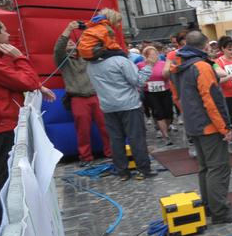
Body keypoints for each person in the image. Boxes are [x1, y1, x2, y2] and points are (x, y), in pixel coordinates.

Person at [173, 31, 232, 223]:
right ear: (205, 46)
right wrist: (224, 128)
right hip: (209, 126)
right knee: (218, 168)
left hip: (194, 123)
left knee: (205, 167)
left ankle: (208, 205)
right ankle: (220, 210)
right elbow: (211, 100)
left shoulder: (180, 64)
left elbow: (177, 96)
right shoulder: (201, 67)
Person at [86, 24, 156, 181]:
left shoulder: (90, 64)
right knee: (136, 138)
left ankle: (122, 172)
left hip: (107, 106)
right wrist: (150, 65)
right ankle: (143, 170)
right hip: (129, 105)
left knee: (116, 140)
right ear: (109, 40)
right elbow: (138, 81)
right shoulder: (120, 60)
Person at [0, 17, 41, 229]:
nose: (8, 34)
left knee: (10, 176)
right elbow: (28, 82)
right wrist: (19, 57)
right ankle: (1, 224)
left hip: (3, 122)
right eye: (4, 30)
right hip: (2, 125)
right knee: (10, 178)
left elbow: (17, 81)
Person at [54, 20, 113, 164]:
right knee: (82, 130)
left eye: (72, 41)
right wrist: (68, 30)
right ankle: (85, 157)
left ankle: (111, 152)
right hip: (78, 98)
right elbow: (58, 48)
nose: (70, 42)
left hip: (96, 96)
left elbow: (100, 45)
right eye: (68, 43)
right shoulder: (63, 61)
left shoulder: (87, 57)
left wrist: (91, 30)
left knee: (106, 126)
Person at [138, 45, 174, 146]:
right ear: (146, 56)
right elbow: (138, 79)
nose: (154, 56)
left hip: (165, 90)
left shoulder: (163, 63)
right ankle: (166, 135)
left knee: (169, 113)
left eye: (155, 54)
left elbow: (169, 75)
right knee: (158, 112)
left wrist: (168, 74)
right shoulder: (140, 65)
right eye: (151, 55)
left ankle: (166, 127)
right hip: (150, 92)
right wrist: (143, 83)